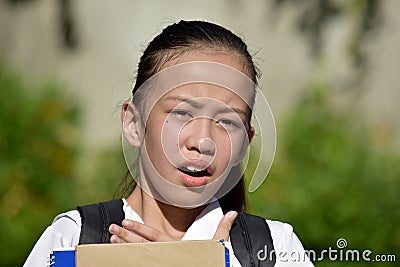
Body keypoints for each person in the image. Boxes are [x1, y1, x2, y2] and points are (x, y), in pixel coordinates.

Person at [24, 20, 314, 266]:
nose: (202, 141)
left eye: (227, 121)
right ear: (134, 123)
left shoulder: (276, 249)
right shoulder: (73, 238)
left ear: (244, 144)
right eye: (182, 113)